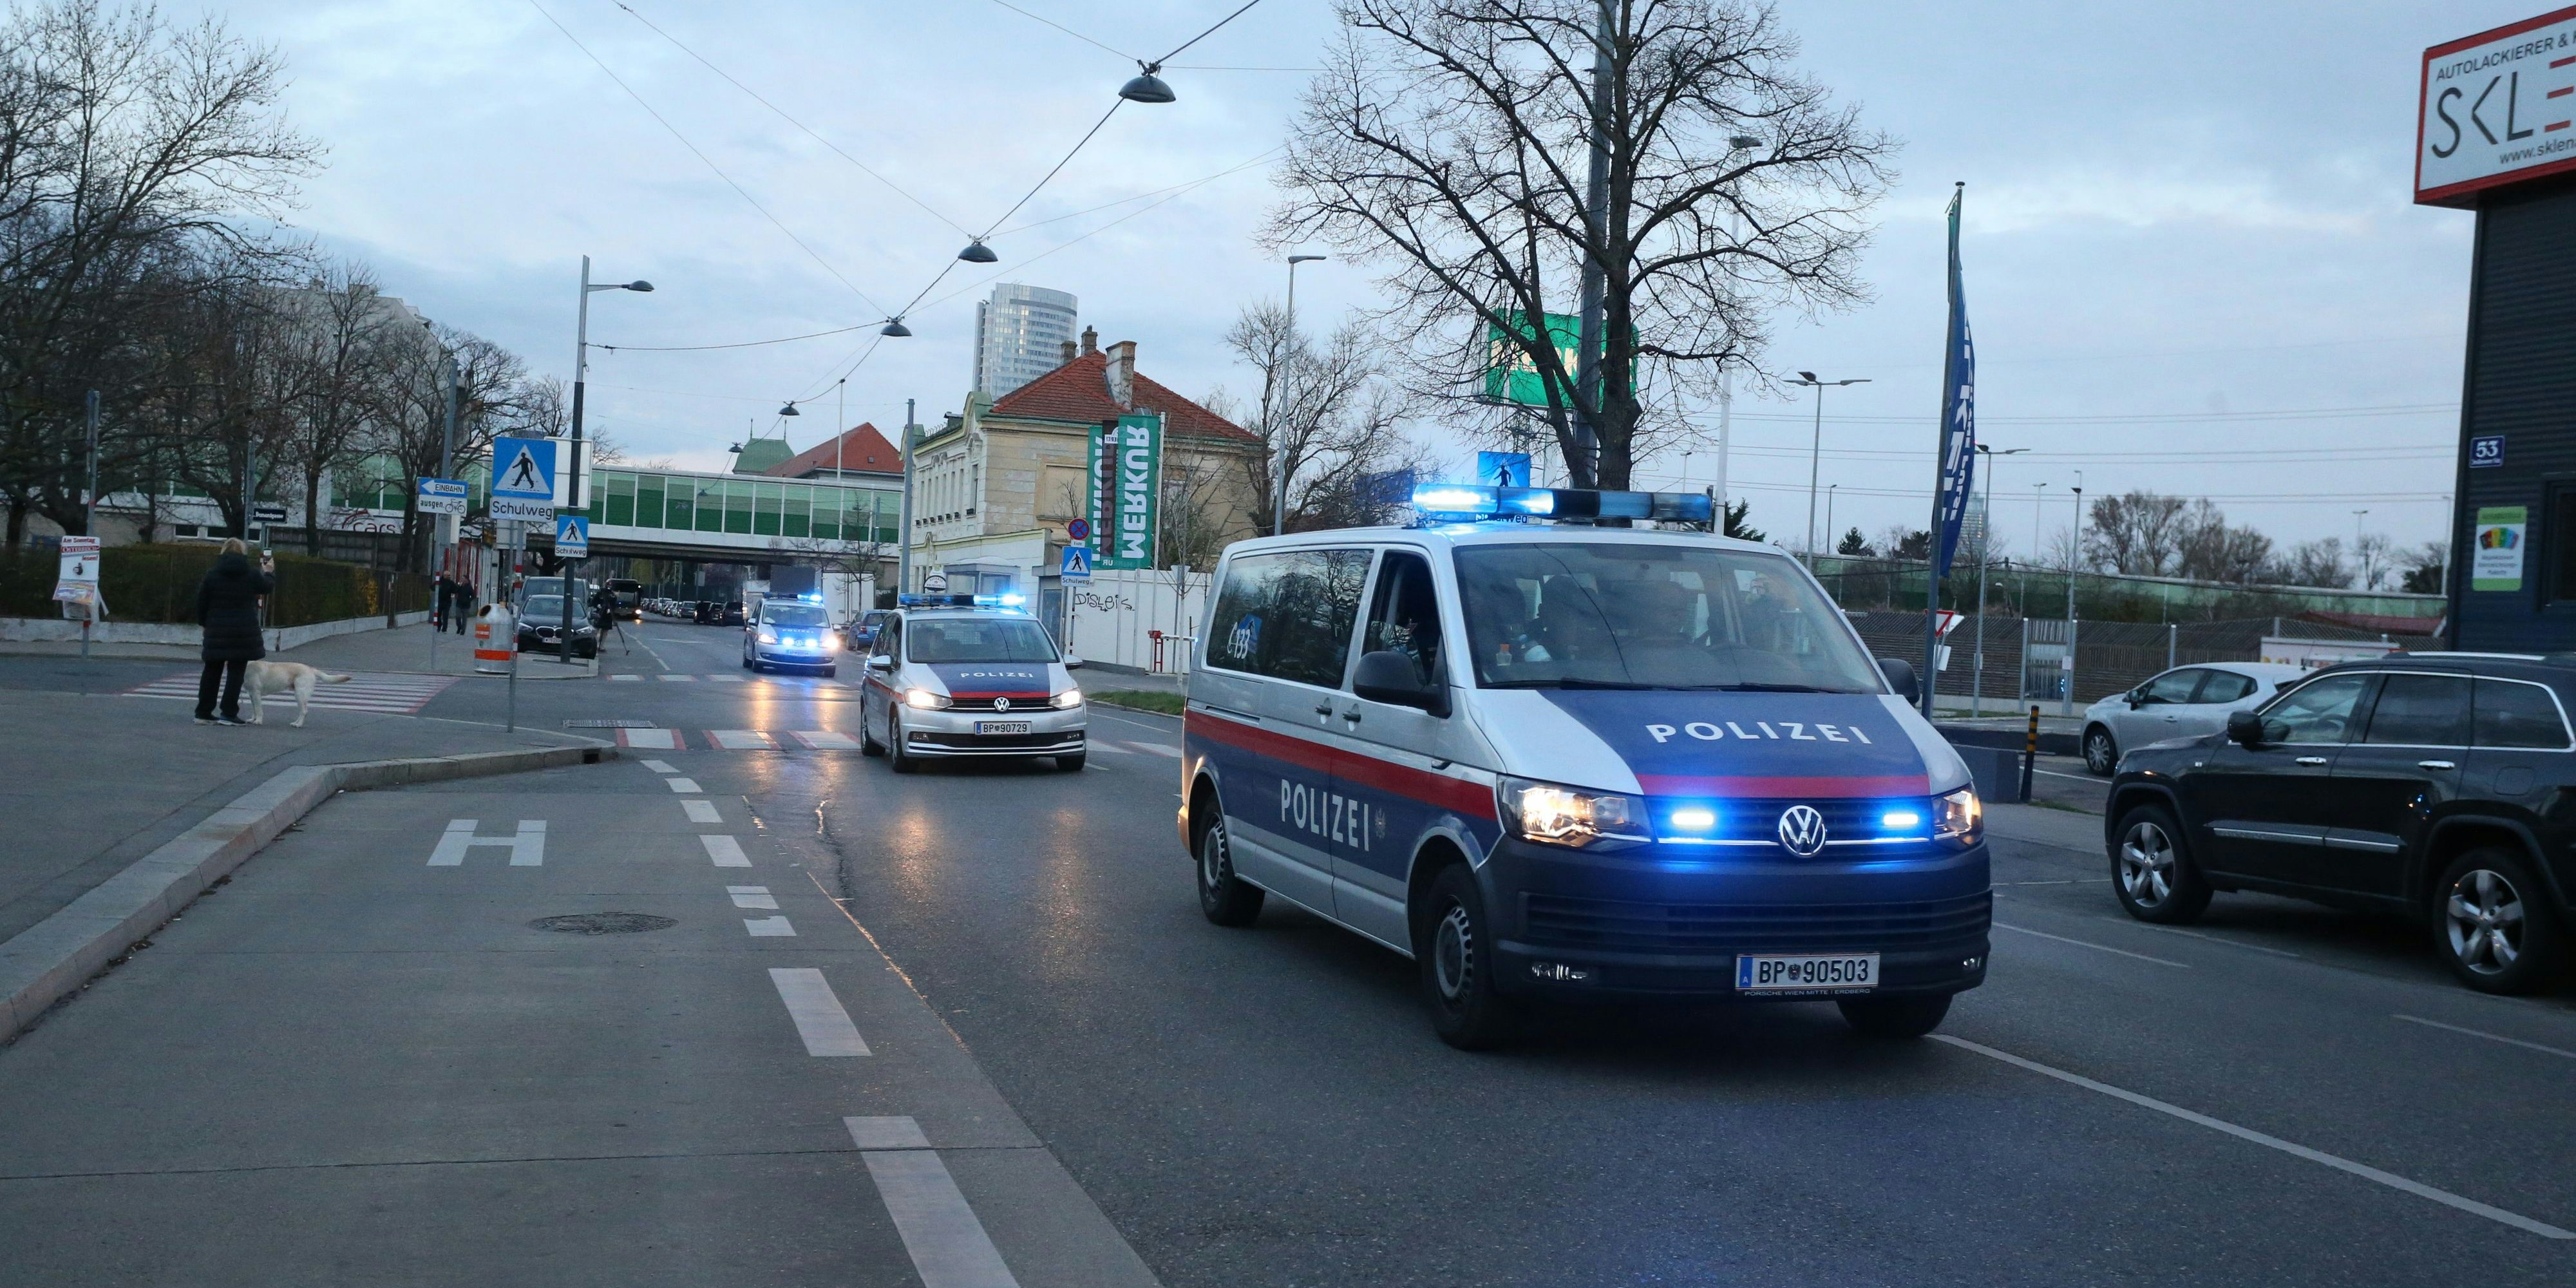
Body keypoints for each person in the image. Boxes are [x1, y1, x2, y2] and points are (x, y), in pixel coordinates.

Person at [194, 538, 274, 726]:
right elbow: (266, 588)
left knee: (212, 670)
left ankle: (203, 712)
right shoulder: (251, 574)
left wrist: (204, 624)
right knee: (236, 671)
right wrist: (269, 573)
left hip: (216, 629)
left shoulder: (212, 574)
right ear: (242, 552)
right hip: (242, 631)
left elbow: (201, 601)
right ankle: (228, 713)